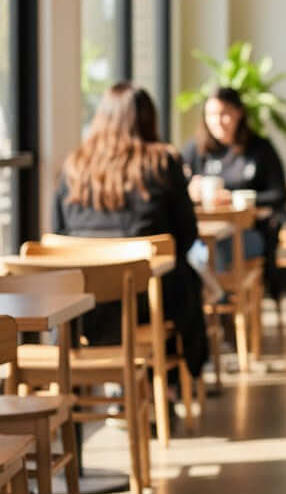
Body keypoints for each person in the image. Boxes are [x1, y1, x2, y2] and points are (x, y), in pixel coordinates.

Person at [53, 81, 208, 378]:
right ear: (149, 119)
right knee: (185, 281)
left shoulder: (73, 166)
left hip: (83, 309)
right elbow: (187, 235)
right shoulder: (162, 162)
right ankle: (167, 383)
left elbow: (58, 235)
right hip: (147, 303)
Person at [180, 86, 286, 301]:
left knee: (217, 249)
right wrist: (189, 192)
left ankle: (222, 308)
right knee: (194, 250)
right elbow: (175, 192)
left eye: (224, 114)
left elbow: (279, 194)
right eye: (211, 115)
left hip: (248, 233)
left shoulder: (260, 149)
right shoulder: (196, 150)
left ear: (239, 113)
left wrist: (234, 198)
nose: (217, 121)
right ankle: (208, 307)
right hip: (204, 234)